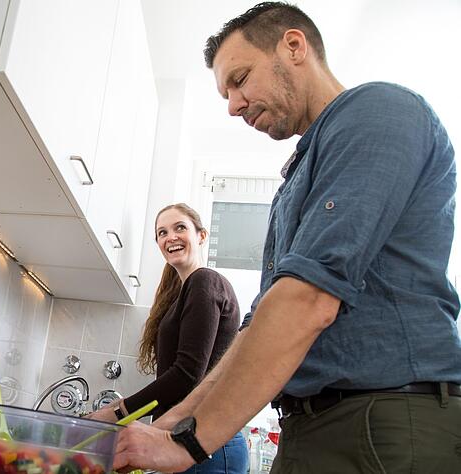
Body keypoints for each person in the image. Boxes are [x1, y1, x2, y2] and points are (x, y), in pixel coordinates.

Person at [112, 3, 461, 473]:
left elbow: (309, 300)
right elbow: (259, 326)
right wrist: (172, 422)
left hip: (383, 421)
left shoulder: (378, 111)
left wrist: (189, 445)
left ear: (293, 47)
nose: (234, 105)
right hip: (310, 425)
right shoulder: (298, 176)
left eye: (239, 79)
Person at [86, 203, 247, 474]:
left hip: (207, 444)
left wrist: (117, 412)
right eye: (162, 233)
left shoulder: (205, 281)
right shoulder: (183, 293)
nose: (170, 237)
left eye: (179, 227)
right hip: (187, 439)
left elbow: (187, 374)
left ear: (202, 236)